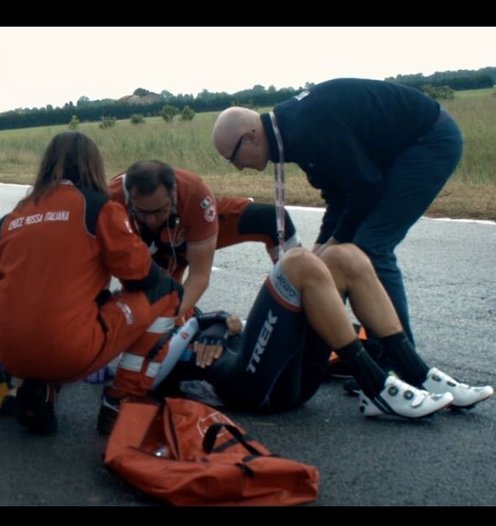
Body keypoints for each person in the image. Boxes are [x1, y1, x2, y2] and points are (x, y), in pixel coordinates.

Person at [212, 78, 464, 344]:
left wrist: (333, 243)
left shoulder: (305, 128)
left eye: (233, 158)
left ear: (250, 137)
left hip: (429, 140)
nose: (237, 167)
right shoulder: (288, 132)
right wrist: (320, 248)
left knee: (369, 249)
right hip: (393, 152)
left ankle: (399, 361)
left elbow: (365, 187)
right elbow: (338, 195)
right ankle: (358, 347)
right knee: (336, 254)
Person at [0, 132, 183, 435]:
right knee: (169, 291)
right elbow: (141, 276)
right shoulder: (98, 208)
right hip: (69, 351)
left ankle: (40, 387)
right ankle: (122, 398)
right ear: (94, 166)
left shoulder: (13, 217)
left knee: (70, 307)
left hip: (9, 354)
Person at [154, 244, 493, 418]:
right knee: (297, 263)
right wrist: (202, 327)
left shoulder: (188, 310)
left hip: (286, 371)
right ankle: (377, 387)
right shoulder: (132, 328)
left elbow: (235, 323)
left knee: (343, 256)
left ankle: (418, 373)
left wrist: (214, 321)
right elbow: (150, 372)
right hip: (251, 388)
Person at [108, 161, 300, 319]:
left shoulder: (196, 194)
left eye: (159, 211)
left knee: (273, 220)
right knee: (155, 308)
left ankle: (299, 298)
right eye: (142, 211)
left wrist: (167, 318)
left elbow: (200, 276)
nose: (151, 220)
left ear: (173, 193)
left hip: (193, 230)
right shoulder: (109, 199)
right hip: (151, 252)